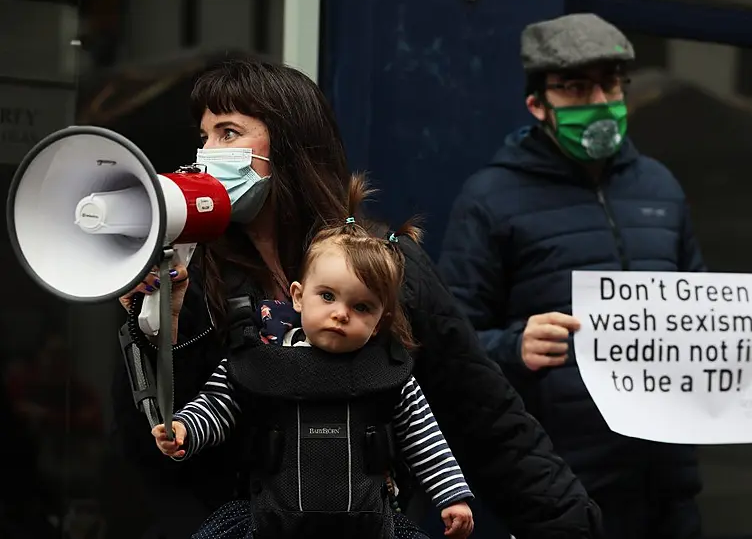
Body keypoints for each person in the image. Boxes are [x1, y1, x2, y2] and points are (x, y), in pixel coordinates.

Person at [111, 56, 603, 539]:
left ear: (290, 144)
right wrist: (158, 333)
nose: (207, 154)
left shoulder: (384, 265)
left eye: (229, 133)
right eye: (204, 137)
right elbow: (156, 449)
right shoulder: (193, 272)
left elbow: (487, 419)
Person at [436, 13, 752, 539]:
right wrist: (515, 346)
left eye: (610, 83)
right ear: (538, 104)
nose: (599, 101)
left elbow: (695, 309)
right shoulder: (490, 197)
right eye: (577, 87)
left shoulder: (660, 186)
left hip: (667, 481)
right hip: (558, 481)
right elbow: (450, 344)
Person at [151, 180, 475, 538]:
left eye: (361, 306)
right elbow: (216, 406)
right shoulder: (261, 357)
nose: (341, 314)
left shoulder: (388, 372)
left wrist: (452, 496)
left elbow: (425, 439)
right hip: (266, 522)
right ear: (298, 296)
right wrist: (183, 429)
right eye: (327, 296)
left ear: (381, 318)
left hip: (369, 526)